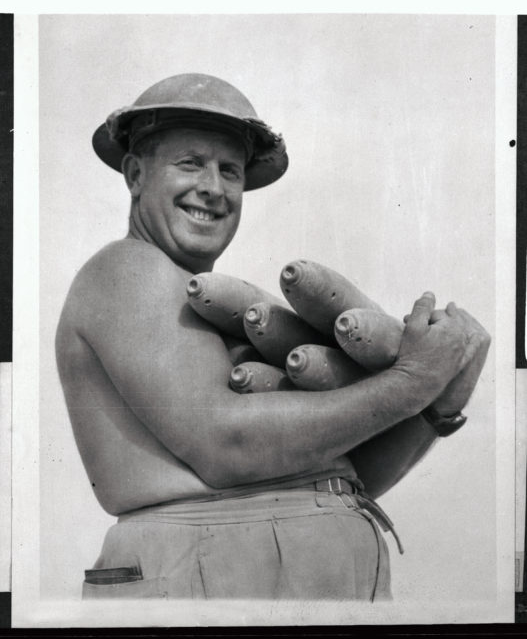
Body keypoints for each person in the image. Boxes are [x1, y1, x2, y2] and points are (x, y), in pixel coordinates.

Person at [55, 73, 490, 601]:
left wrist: (436, 407)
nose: (213, 188)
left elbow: (348, 473)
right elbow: (226, 444)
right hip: (207, 573)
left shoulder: (208, 296)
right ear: (135, 174)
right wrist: (414, 381)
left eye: (230, 170)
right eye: (190, 163)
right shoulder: (128, 268)